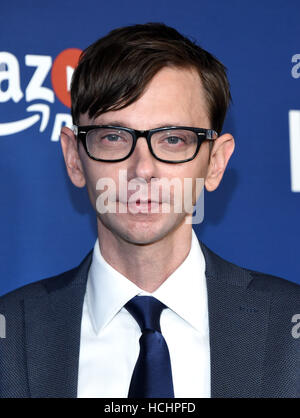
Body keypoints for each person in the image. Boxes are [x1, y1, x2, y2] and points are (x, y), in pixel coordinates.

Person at [0, 22, 299, 399]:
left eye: (173, 139)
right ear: (74, 159)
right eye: (113, 137)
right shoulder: (8, 338)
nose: (142, 169)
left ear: (216, 163)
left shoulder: (291, 330)